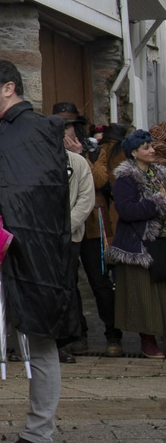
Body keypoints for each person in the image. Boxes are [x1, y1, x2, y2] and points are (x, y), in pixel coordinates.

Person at [0, 59, 82, 443]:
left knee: (38, 342)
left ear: (9, 88)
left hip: (27, 255)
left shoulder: (32, 131)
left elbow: (38, 195)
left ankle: (39, 436)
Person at [106, 128, 166, 359]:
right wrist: (158, 202)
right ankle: (147, 341)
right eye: (146, 147)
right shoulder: (126, 178)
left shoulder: (159, 173)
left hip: (161, 240)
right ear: (133, 153)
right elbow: (127, 211)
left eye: (151, 146)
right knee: (144, 295)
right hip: (139, 243)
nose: (152, 150)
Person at [85, 126, 126, 356]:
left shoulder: (96, 153)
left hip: (94, 225)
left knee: (100, 281)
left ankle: (113, 335)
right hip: (65, 224)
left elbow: (100, 181)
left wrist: (83, 157)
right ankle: (78, 334)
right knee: (68, 283)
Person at [61, 120, 96, 363]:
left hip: (70, 235)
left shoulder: (78, 162)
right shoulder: (37, 161)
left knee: (69, 286)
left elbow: (86, 199)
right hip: (43, 236)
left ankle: (70, 339)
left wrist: (66, 226)